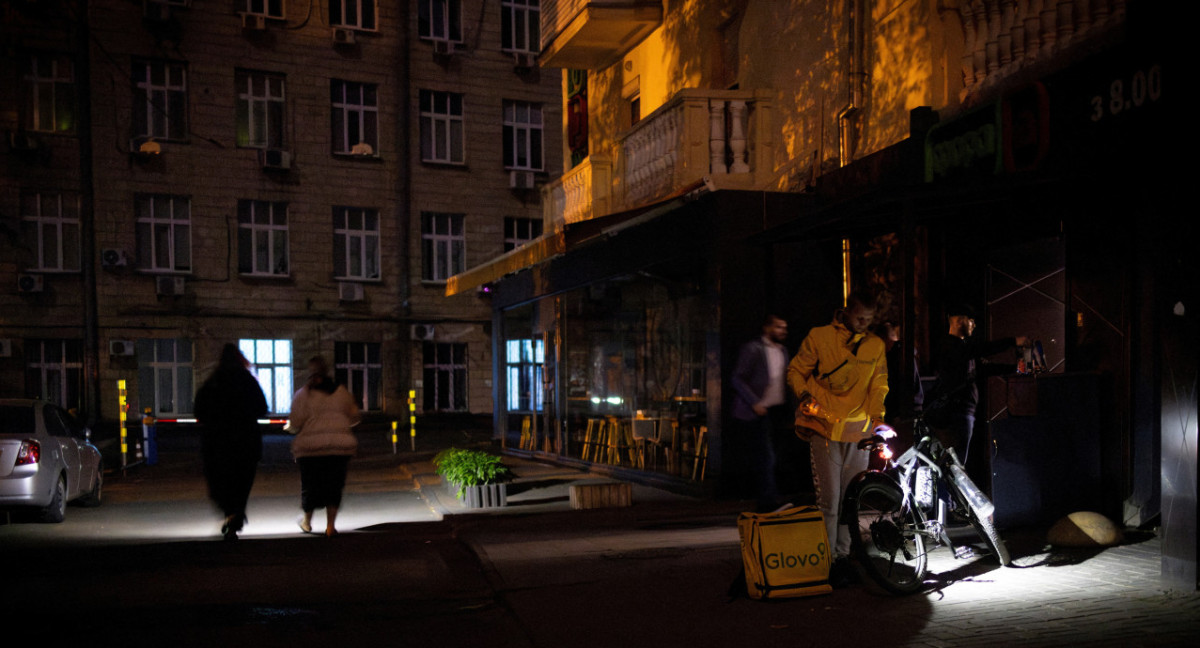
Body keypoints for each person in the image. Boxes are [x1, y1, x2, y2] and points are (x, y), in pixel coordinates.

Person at [787, 291, 889, 576]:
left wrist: (877, 419)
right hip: (825, 428)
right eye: (859, 317)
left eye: (869, 320)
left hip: (859, 433)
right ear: (846, 312)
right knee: (830, 501)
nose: (863, 323)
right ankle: (826, 560)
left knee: (849, 501)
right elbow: (795, 371)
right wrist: (805, 394)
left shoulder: (875, 345)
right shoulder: (820, 337)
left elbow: (879, 385)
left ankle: (842, 557)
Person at [929, 304, 1028, 464]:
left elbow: (982, 369)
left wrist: (1015, 368)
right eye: (971, 321)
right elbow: (981, 349)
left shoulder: (963, 348)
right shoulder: (951, 346)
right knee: (955, 464)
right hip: (956, 414)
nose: (974, 325)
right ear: (960, 321)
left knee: (957, 463)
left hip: (963, 413)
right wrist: (1013, 341)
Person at [194, 343, 268, 541]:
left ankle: (230, 514)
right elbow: (262, 408)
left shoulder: (213, 382)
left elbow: (199, 410)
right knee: (242, 482)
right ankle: (236, 514)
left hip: (217, 443)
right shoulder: (248, 381)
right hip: (246, 442)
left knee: (222, 481)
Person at [288, 356, 360, 537]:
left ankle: (307, 522)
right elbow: (354, 417)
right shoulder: (342, 392)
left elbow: (295, 421)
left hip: (310, 449)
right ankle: (330, 526)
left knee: (310, 485)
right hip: (338, 448)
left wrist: (292, 428)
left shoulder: (303, 394)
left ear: (310, 372)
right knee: (334, 486)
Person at [729, 314, 789, 512]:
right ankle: (767, 501)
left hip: (777, 410)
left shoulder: (782, 351)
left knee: (773, 457)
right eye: (778, 327)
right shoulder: (753, 349)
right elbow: (737, 378)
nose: (782, 331)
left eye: (784, 328)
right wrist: (754, 402)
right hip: (756, 411)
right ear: (767, 328)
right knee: (765, 456)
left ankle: (769, 497)